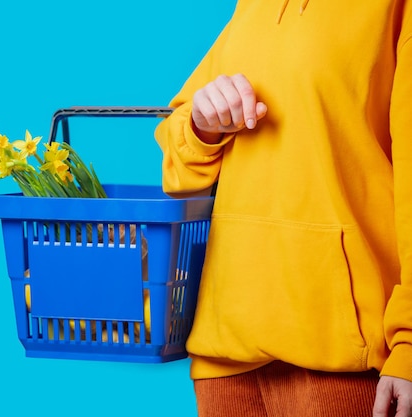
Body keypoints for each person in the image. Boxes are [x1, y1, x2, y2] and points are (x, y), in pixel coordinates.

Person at [154, 1, 412, 416]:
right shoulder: (253, 7)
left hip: (340, 355)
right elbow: (179, 163)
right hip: (224, 352)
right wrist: (204, 124)